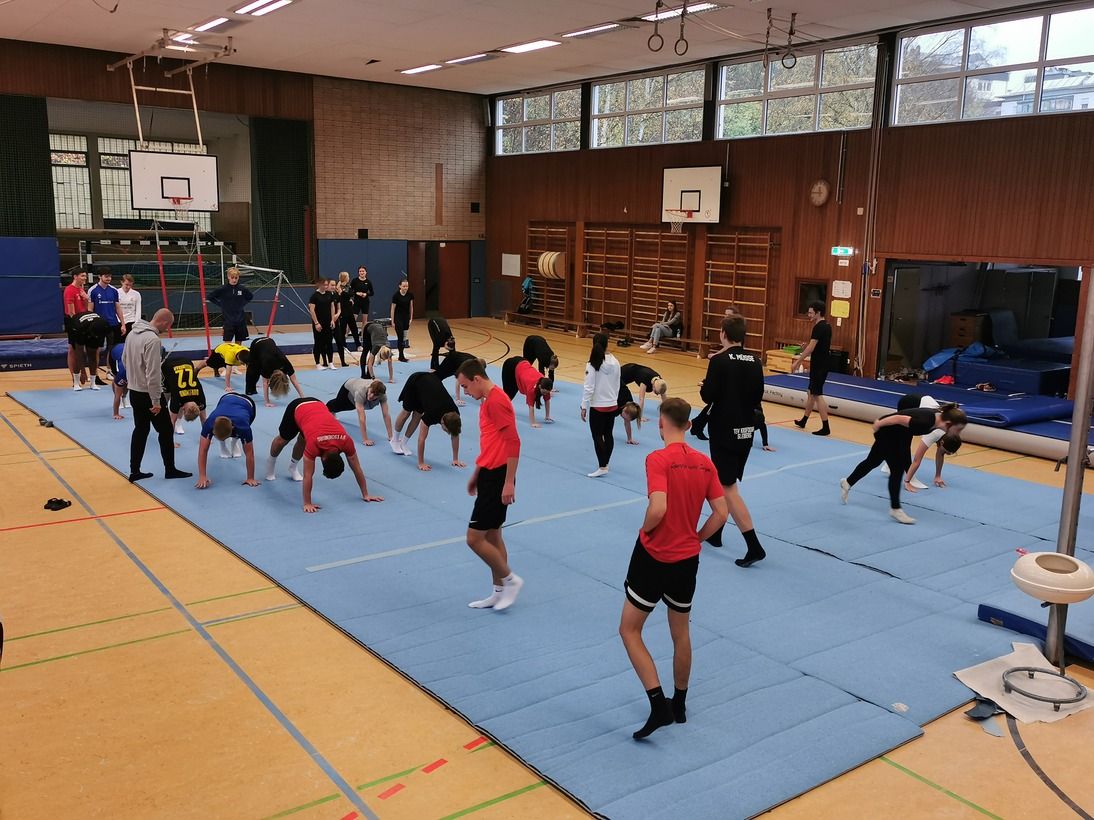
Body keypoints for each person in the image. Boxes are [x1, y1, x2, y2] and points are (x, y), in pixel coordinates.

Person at [618, 397, 728, 740]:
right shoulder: (705, 463)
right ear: (690, 425)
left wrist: (646, 530)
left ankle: (657, 705)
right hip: (686, 559)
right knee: (680, 633)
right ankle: (679, 704)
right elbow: (722, 514)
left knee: (629, 630)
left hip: (653, 556)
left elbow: (658, 507)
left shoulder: (658, 459)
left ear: (661, 424)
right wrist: (697, 538)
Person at [455, 357, 523, 611]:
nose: (464, 392)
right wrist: (477, 473)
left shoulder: (497, 402)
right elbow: (491, 443)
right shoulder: (487, 401)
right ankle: (498, 591)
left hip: (498, 476)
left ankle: (510, 580)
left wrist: (509, 482)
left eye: (465, 386)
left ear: (477, 379)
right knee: (493, 535)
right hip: (488, 472)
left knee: (474, 538)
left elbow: (513, 442)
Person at [699, 316, 767, 567]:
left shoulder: (719, 361)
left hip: (725, 429)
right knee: (723, 481)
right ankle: (716, 533)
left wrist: (705, 386)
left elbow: (708, 395)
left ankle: (754, 546)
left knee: (728, 488)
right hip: (746, 430)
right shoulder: (756, 361)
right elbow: (758, 394)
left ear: (723, 334)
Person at [841, 404, 968, 524]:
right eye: (958, 430)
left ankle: (847, 482)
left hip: (898, 434)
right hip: (886, 430)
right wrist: (878, 423)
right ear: (948, 424)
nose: (958, 433)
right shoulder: (926, 422)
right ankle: (895, 509)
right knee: (897, 470)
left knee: (873, 461)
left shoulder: (937, 421)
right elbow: (898, 418)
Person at [265, 398, 384, 512]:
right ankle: (270, 463)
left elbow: (357, 469)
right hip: (298, 407)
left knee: (303, 439)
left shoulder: (346, 442)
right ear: (323, 458)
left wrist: (366, 494)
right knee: (283, 440)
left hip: (316, 409)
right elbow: (308, 475)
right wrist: (307, 503)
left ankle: (292, 467)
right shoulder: (314, 445)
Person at [122, 309, 191, 483]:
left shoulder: (132, 334)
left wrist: (134, 377)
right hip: (148, 394)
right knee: (166, 431)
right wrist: (156, 400)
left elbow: (124, 359)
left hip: (134, 391)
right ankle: (170, 469)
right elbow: (153, 373)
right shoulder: (153, 340)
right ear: (165, 322)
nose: (167, 330)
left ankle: (134, 471)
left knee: (140, 430)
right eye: (168, 327)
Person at [881, 394, 963, 491]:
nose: (943, 453)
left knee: (903, 439)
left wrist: (937, 476)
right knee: (905, 442)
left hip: (922, 402)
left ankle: (889, 464)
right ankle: (909, 477)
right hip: (909, 403)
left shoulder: (950, 434)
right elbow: (917, 460)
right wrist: (907, 481)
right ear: (941, 442)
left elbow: (940, 454)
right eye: (945, 451)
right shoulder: (933, 434)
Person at [391, 371, 464, 470]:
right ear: (442, 422)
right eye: (446, 430)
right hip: (416, 382)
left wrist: (455, 459)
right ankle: (394, 440)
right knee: (406, 412)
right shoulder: (432, 414)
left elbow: (455, 435)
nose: (447, 433)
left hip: (428, 389)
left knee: (417, 415)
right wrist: (421, 463)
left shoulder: (455, 414)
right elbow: (422, 439)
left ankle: (403, 443)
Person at [195, 392, 260, 489]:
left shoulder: (243, 426)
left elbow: (249, 453)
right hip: (226, 398)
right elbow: (203, 450)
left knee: (240, 435)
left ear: (233, 427)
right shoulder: (209, 423)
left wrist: (250, 478)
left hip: (248, 404)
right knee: (222, 432)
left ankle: (234, 441)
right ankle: (223, 445)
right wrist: (202, 476)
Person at [580, 332, 622, 478]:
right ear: (607, 344)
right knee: (608, 434)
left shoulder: (593, 363)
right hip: (612, 404)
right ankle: (605, 463)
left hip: (598, 406)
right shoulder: (616, 362)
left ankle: (602, 465)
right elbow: (617, 384)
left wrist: (584, 406)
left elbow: (589, 387)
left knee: (597, 435)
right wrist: (614, 400)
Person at [792, 301, 833, 437]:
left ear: (818, 313)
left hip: (819, 365)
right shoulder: (827, 326)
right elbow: (818, 346)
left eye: (810, 313)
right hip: (822, 363)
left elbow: (811, 347)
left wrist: (798, 361)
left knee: (817, 395)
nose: (808, 315)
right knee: (811, 392)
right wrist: (807, 347)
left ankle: (825, 426)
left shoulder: (818, 327)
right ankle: (804, 420)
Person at [326, 376, 394, 446]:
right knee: (339, 405)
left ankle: (332, 409)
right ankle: (327, 408)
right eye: (371, 392)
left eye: (375, 395)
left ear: (379, 395)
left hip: (358, 391)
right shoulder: (361, 391)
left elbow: (386, 415)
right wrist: (365, 439)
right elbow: (362, 417)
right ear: (369, 387)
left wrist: (391, 436)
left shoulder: (382, 395)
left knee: (351, 406)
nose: (371, 396)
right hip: (348, 387)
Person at [244, 337, 305, 407]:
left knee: (259, 366)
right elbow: (265, 383)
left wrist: (303, 397)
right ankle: (250, 390)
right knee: (254, 367)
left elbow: (294, 380)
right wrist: (267, 402)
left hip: (269, 341)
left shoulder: (286, 364)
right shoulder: (267, 366)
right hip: (256, 344)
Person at [88, 268, 124, 384]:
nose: (109, 278)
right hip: (98, 325)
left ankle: (109, 371)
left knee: (111, 348)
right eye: (106, 276)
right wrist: (90, 324)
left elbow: (118, 307)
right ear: (100, 276)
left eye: (110, 276)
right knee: (96, 350)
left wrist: (122, 323)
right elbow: (90, 309)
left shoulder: (113, 290)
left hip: (112, 324)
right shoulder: (93, 290)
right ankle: (94, 373)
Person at [501, 355, 553, 427]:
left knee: (511, 393)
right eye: (544, 392)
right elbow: (531, 407)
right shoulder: (532, 389)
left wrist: (547, 416)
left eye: (547, 393)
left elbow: (547, 401)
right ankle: (498, 407)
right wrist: (533, 423)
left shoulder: (546, 385)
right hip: (510, 366)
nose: (545, 394)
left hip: (523, 363)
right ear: (540, 386)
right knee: (509, 394)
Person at [163, 354, 208, 435]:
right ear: (183, 409)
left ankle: (178, 424)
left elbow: (204, 419)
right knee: (165, 397)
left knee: (180, 401)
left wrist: (205, 437)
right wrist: (170, 441)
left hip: (187, 361)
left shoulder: (200, 397)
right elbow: (172, 420)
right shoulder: (177, 398)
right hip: (167, 365)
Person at [208, 267, 254, 344]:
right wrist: (220, 304)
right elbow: (210, 297)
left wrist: (242, 304)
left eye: (236, 278)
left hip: (240, 320)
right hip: (228, 321)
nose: (234, 280)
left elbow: (250, 296)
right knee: (227, 343)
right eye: (232, 278)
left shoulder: (242, 289)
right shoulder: (223, 289)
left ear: (238, 277)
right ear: (228, 277)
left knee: (238, 344)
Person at [67, 312, 109, 392]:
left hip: (92, 327)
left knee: (92, 353)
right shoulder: (79, 328)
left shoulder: (104, 326)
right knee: (77, 353)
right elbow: (79, 354)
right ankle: (76, 382)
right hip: (76, 326)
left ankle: (93, 383)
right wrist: (83, 372)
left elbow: (93, 354)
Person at [63, 270, 91, 388]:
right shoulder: (69, 290)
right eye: (82, 276)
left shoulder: (81, 290)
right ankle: (74, 377)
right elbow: (71, 312)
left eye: (85, 276)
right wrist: (77, 325)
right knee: (73, 349)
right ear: (75, 276)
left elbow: (86, 309)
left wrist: (86, 299)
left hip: (83, 320)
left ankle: (82, 372)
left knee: (82, 348)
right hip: (74, 321)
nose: (85, 278)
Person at [308, 279, 338, 370]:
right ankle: (317, 363)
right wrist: (316, 323)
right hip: (319, 323)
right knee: (318, 343)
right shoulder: (314, 296)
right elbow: (312, 310)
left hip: (328, 322)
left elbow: (332, 307)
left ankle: (331, 362)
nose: (325, 287)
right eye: (324, 285)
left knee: (329, 343)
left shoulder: (329, 294)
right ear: (319, 284)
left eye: (326, 285)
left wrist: (332, 320)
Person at [335, 271, 361, 366]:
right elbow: (340, 297)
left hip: (349, 310)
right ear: (344, 278)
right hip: (343, 311)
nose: (349, 278)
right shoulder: (338, 287)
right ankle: (344, 345)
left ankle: (358, 344)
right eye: (348, 276)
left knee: (354, 328)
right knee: (342, 329)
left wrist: (345, 294)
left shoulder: (347, 286)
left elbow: (351, 294)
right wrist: (343, 293)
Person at [390, 279, 414, 362]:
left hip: (406, 318)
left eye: (407, 286)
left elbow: (411, 307)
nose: (405, 288)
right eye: (404, 286)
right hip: (398, 318)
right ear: (400, 286)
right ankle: (401, 356)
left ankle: (401, 354)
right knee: (400, 337)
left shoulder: (410, 295)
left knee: (404, 338)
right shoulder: (396, 296)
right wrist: (392, 321)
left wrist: (411, 318)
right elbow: (393, 308)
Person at [109, 342, 129, 419]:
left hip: (126, 352)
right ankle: (120, 399)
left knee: (128, 383)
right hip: (114, 353)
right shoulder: (122, 373)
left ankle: (124, 397)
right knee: (118, 389)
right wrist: (116, 414)